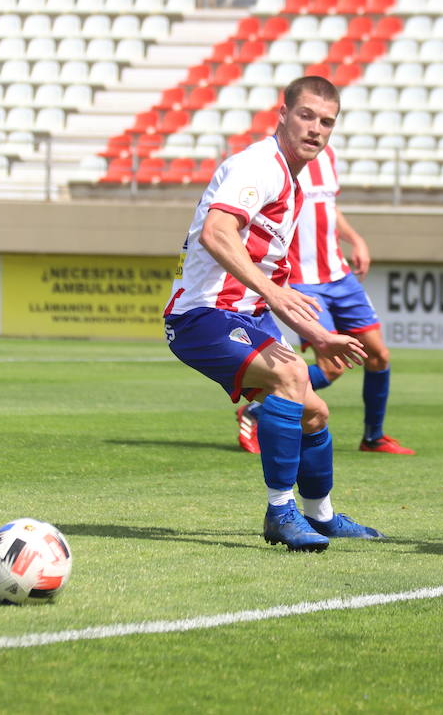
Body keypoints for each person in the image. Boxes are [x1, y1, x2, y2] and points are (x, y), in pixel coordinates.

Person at [164, 74, 384, 552]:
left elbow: (273, 281)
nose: (316, 129)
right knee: (288, 381)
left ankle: (320, 516)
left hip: (246, 313)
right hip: (203, 315)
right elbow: (217, 233)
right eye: (306, 115)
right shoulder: (257, 167)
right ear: (281, 115)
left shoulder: (292, 183)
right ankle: (280, 513)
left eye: (327, 122)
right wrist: (273, 293)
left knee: (315, 413)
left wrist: (318, 336)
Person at [234, 142, 414, 456]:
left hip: (339, 275)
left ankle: (373, 437)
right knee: (332, 367)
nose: (316, 129)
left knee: (378, 355)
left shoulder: (327, 155)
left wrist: (355, 239)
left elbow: (328, 206)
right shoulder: (274, 163)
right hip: (303, 281)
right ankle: (257, 411)